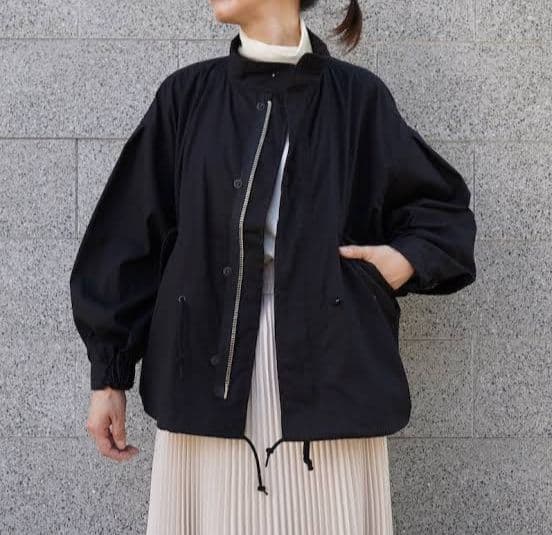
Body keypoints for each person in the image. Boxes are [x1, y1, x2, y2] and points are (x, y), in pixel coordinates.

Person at [69, 1, 477, 534]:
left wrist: (401, 263)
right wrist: (108, 375)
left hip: (331, 370)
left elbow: (441, 212)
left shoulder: (357, 99)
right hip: (205, 371)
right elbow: (127, 236)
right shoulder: (188, 97)